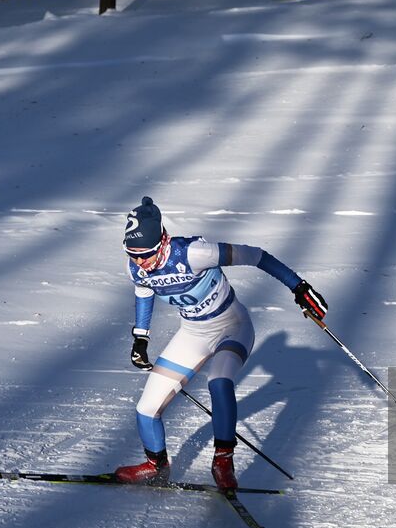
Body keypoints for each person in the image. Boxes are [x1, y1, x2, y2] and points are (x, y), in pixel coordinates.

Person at [116, 197, 328, 488]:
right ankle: (157, 466)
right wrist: (141, 337)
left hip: (232, 327)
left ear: (162, 241)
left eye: (145, 254)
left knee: (219, 381)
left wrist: (299, 286)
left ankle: (223, 462)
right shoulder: (136, 268)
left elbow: (256, 255)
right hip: (192, 334)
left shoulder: (194, 253)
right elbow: (144, 292)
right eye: (132, 253)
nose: (140, 261)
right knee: (146, 408)